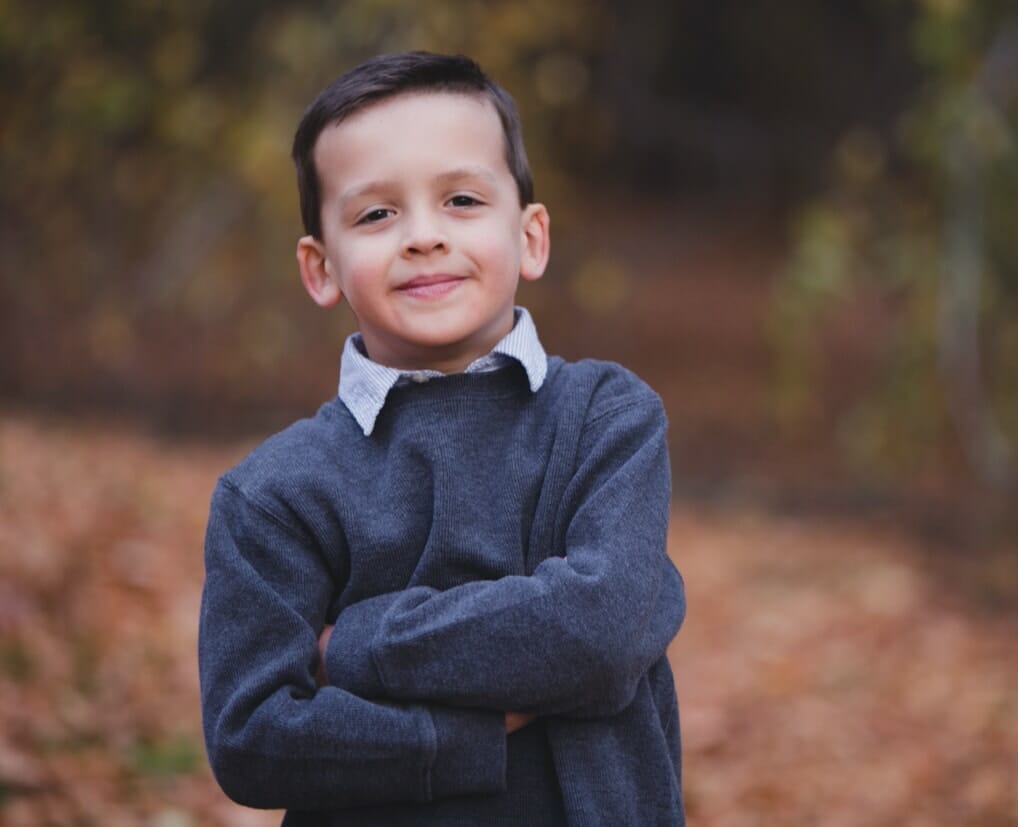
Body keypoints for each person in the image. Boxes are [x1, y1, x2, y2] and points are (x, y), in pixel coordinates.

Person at [197, 51, 686, 825]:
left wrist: (357, 645)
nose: (423, 236)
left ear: (530, 237)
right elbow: (252, 734)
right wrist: (463, 737)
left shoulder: (606, 417)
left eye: (461, 199)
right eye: (376, 214)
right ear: (321, 268)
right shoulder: (275, 493)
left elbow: (599, 632)